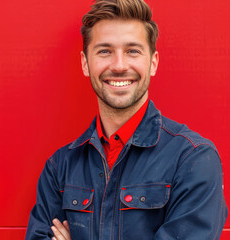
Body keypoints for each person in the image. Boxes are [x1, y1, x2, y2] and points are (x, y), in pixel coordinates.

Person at [25, 0, 228, 239]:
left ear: (153, 62)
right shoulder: (59, 168)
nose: (119, 66)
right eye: (104, 51)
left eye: (132, 51)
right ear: (85, 63)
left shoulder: (193, 159)